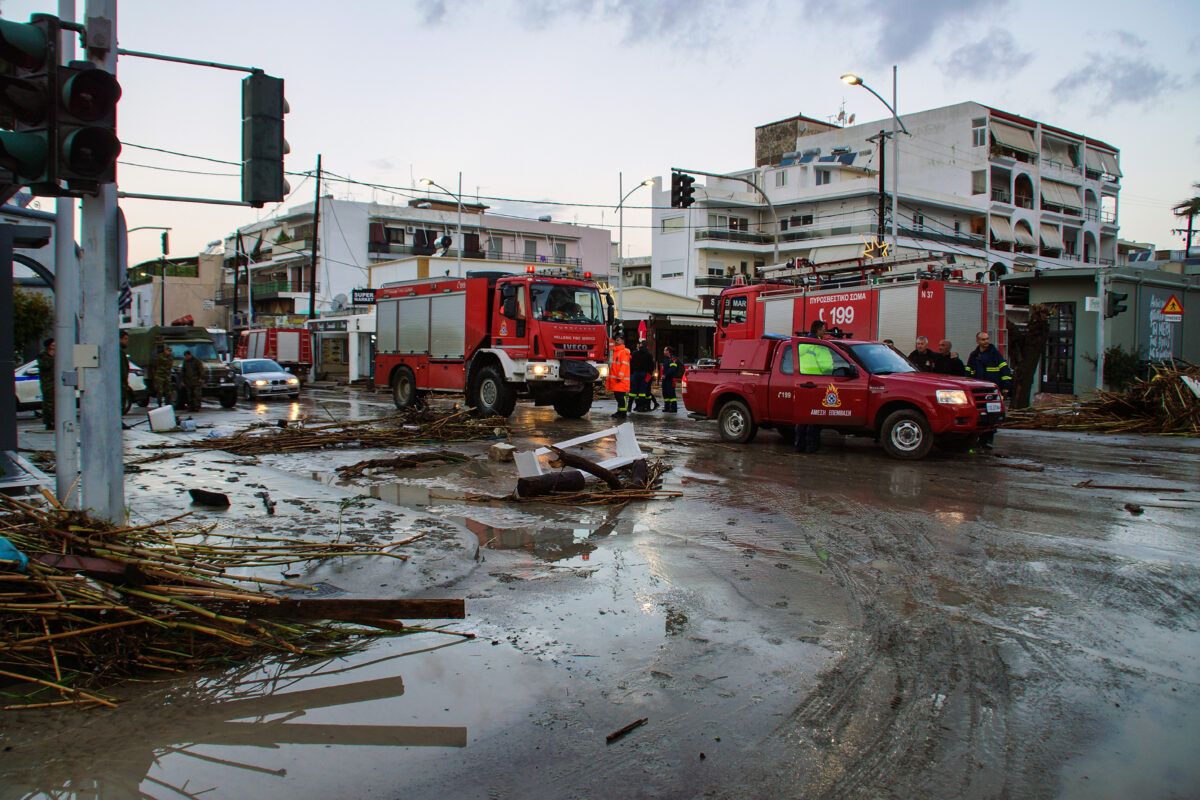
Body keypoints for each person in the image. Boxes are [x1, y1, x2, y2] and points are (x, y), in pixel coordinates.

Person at [966, 331, 1012, 448]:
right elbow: (968, 373)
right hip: (977, 391)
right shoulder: (974, 355)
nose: (986, 342)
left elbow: (1005, 371)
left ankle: (987, 441)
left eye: (987, 339)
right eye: (983, 340)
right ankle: (977, 440)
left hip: (992, 391)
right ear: (977, 341)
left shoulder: (995, 355)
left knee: (991, 416)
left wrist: (1006, 387)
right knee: (978, 415)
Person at [795, 320, 832, 453]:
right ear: (817, 330)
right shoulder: (819, 346)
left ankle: (799, 446)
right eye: (823, 329)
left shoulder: (801, 344)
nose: (824, 332)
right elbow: (827, 367)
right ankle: (812, 447)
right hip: (817, 385)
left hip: (802, 384)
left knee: (802, 418)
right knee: (815, 417)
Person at [607, 335, 631, 419]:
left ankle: (623, 413)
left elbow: (623, 366)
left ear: (623, 341)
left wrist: (620, 376)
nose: (616, 341)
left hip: (620, 380)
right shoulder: (616, 352)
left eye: (618, 340)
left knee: (621, 397)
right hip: (617, 380)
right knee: (618, 396)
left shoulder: (623, 352)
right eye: (616, 340)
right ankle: (620, 411)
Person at [629, 341, 655, 412]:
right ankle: (642, 406)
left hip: (635, 374)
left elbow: (630, 363)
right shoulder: (648, 354)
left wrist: (632, 373)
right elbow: (652, 365)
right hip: (645, 374)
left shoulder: (634, 353)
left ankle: (630, 406)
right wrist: (649, 373)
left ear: (640, 345)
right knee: (642, 392)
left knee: (633, 390)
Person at [36, 338, 55, 431]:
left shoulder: (57, 354)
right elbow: (45, 366)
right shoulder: (42, 355)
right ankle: (49, 422)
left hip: (57, 382)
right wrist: (51, 357)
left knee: (56, 403)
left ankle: (55, 421)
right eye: (52, 345)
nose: (54, 347)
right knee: (49, 403)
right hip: (48, 382)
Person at [660, 346, 681, 413]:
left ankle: (674, 408)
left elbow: (673, 369)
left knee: (671, 393)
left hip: (670, 379)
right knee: (665, 393)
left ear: (668, 351)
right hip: (665, 379)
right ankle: (667, 407)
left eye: (665, 350)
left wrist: (665, 375)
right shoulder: (666, 359)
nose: (664, 351)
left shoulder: (673, 359)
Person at [119, 330, 131, 413]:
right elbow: (122, 369)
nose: (127, 341)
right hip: (121, 383)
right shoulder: (120, 351)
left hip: (121, 383)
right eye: (125, 339)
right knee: (120, 404)